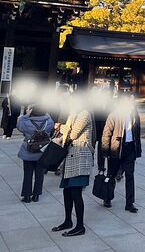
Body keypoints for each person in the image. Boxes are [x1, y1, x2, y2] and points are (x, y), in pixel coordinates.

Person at [51, 100, 94, 237]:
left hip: (80, 156)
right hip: (70, 156)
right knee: (67, 192)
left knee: (76, 193)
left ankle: (80, 226)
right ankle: (68, 221)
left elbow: (73, 134)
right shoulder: (73, 113)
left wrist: (60, 126)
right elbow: (67, 133)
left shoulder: (84, 113)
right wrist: (63, 127)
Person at [101, 93, 142, 212]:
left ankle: (130, 203)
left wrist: (137, 149)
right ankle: (107, 197)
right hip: (116, 149)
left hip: (130, 149)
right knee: (111, 175)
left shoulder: (134, 115)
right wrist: (105, 151)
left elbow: (137, 134)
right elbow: (106, 134)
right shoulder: (114, 115)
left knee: (130, 176)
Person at [17, 105, 54, 203]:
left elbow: (19, 125)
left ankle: (27, 195)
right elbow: (51, 121)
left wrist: (26, 115)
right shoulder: (48, 122)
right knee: (39, 174)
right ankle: (36, 194)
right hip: (42, 151)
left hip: (29, 151)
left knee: (27, 174)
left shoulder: (26, 122)